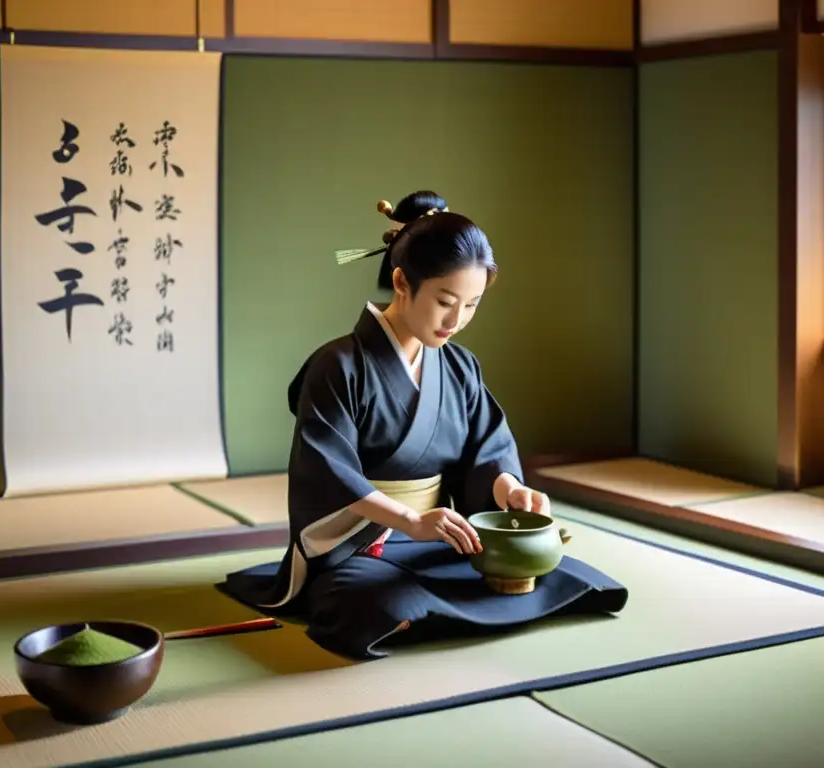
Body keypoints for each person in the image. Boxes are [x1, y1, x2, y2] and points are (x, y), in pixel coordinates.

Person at [221, 191, 627, 659]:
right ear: (401, 281)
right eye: (446, 301)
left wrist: (508, 489)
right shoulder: (336, 366)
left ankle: (439, 607)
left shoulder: (460, 367)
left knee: (560, 572)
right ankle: (422, 607)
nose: (457, 321)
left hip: (441, 537)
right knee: (375, 601)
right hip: (361, 545)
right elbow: (328, 471)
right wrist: (410, 521)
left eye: (472, 305)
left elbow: (486, 449)